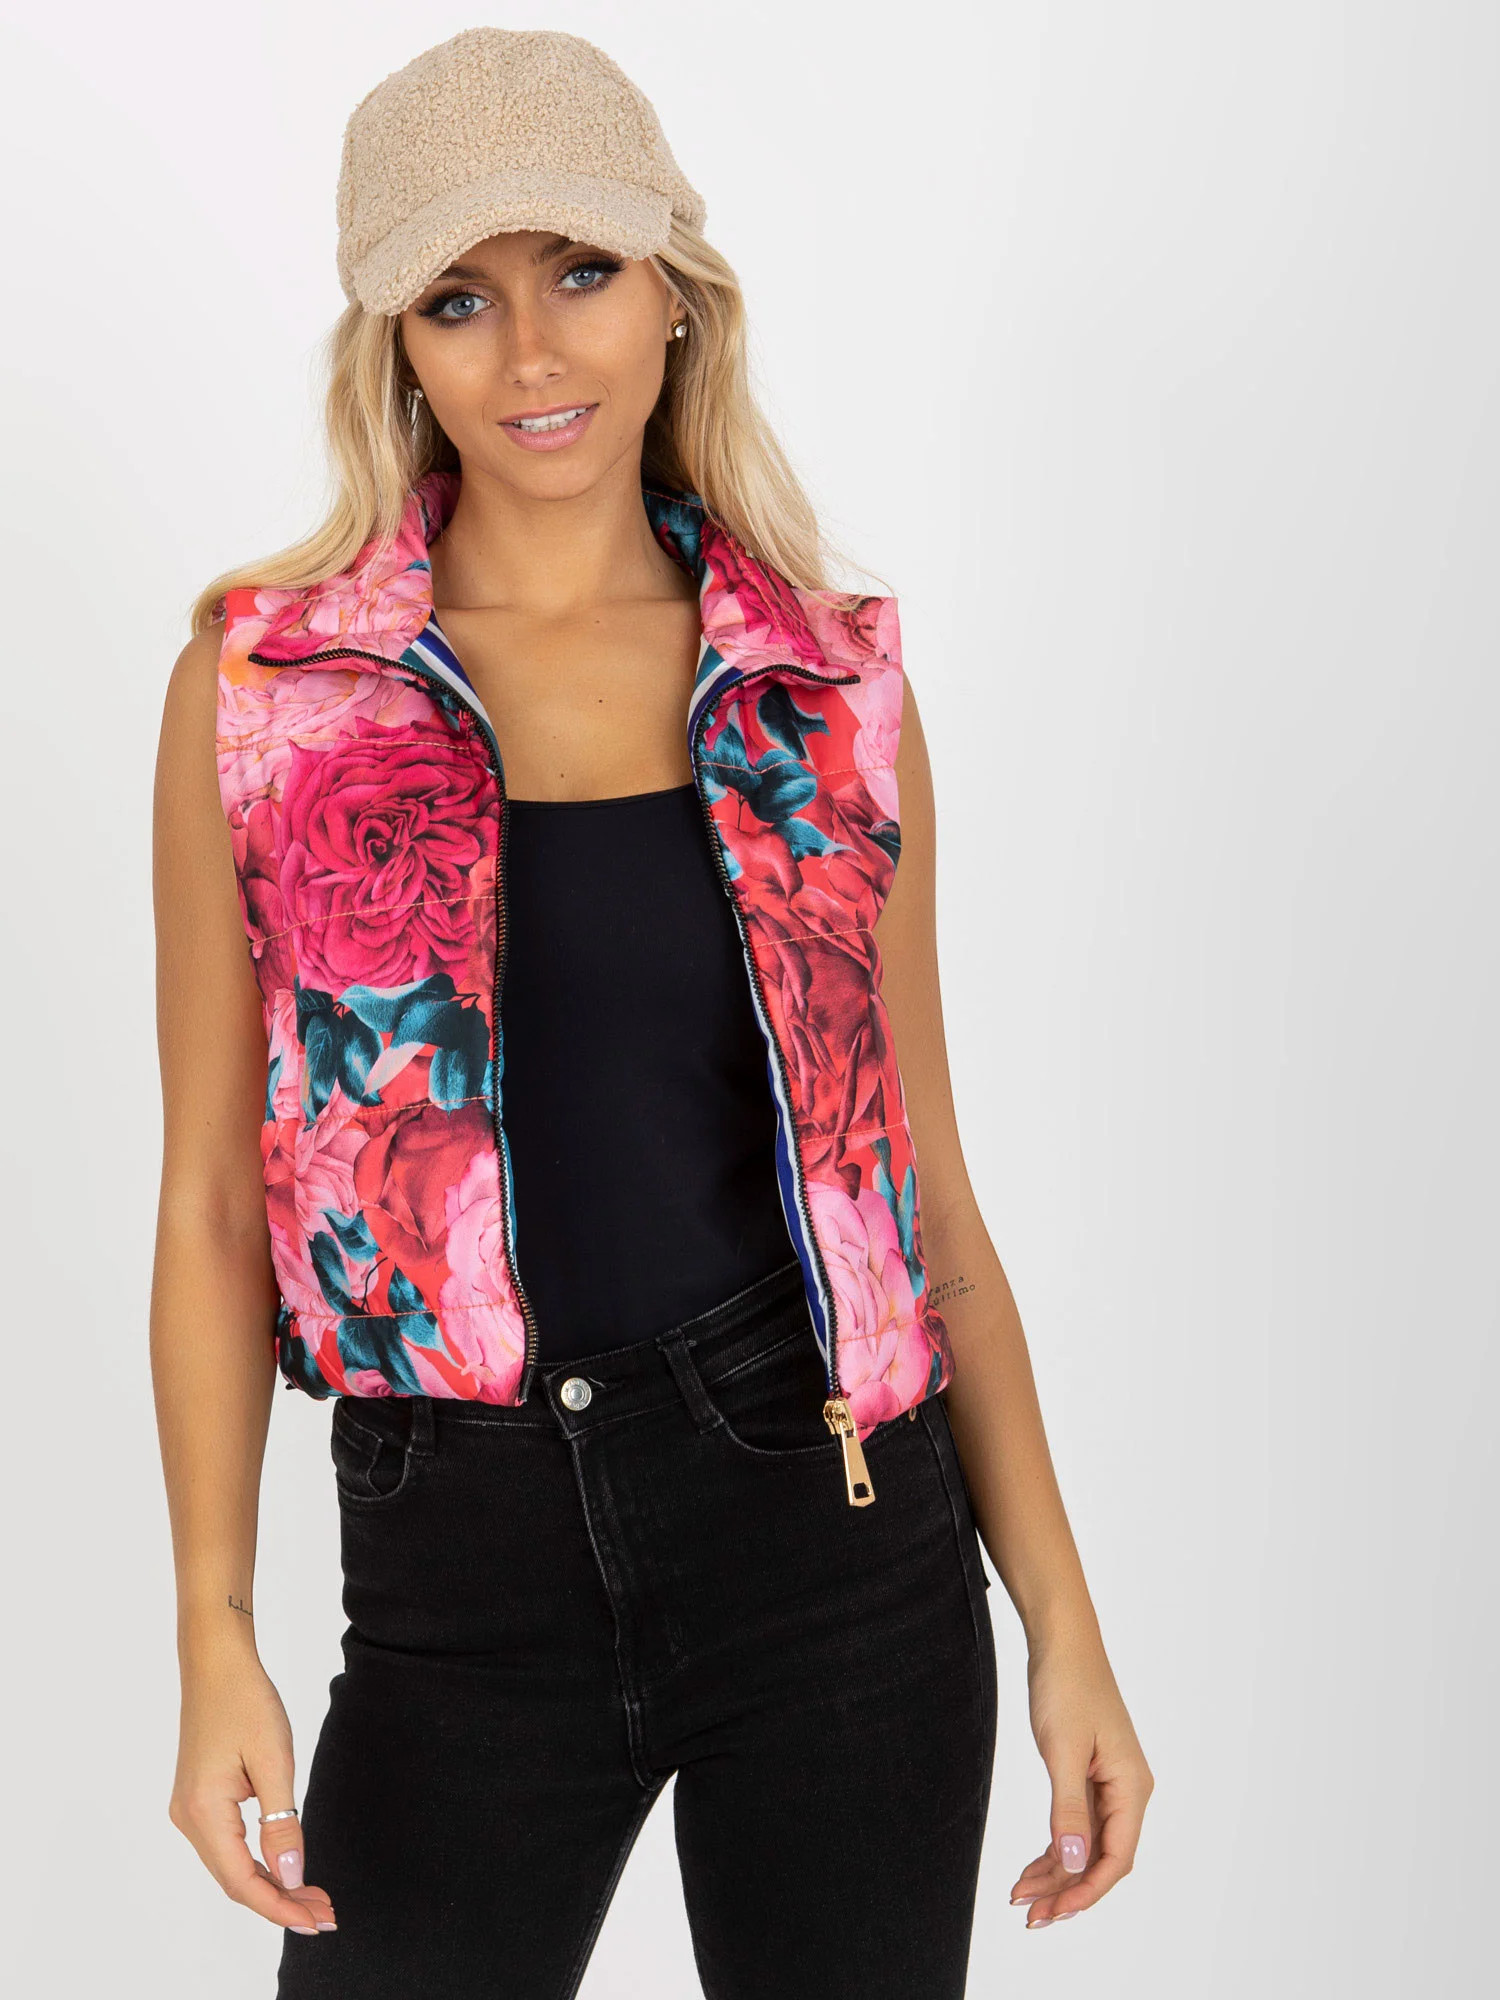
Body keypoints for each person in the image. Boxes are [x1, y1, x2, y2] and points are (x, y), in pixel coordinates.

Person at [151, 27, 1153, 1998]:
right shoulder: (267, 700)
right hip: (455, 1560)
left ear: (675, 295)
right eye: (460, 296)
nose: (532, 350)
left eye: (583, 271)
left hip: (832, 1546)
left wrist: (1066, 1626)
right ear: (397, 344)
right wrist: (213, 1631)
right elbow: (203, 1204)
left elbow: (923, 1195)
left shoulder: (822, 694)